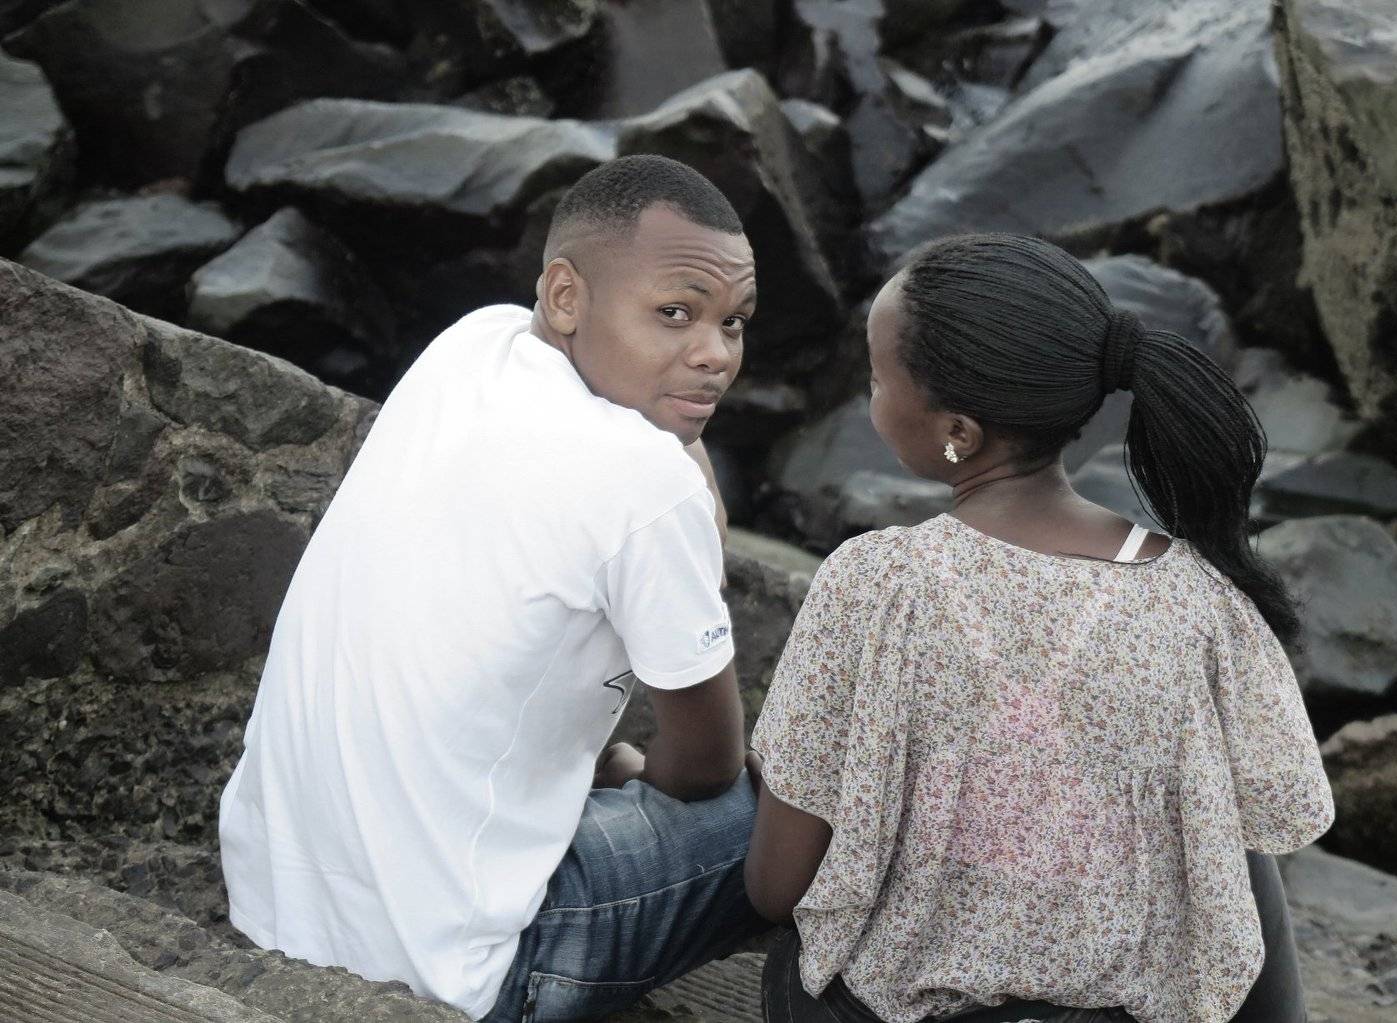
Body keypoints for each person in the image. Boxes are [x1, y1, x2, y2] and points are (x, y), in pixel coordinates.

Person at [218, 155, 765, 1023]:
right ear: (566, 296)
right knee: (801, 808)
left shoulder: (475, 342)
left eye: (733, 322)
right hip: (462, 976)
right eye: (675, 313)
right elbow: (705, 768)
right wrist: (635, 770)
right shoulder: (642, 483)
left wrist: (681, 444)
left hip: (276, 907)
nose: (714, 356)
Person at [745, 234, 1335, 1023]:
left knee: (800, 951)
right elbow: (1277, 816)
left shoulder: (875, 582)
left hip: (904, 1010)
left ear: (959, 431)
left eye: (878, 379)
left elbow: (776, 888)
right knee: (1217, 807)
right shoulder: (1201, 598)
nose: (869, 396)